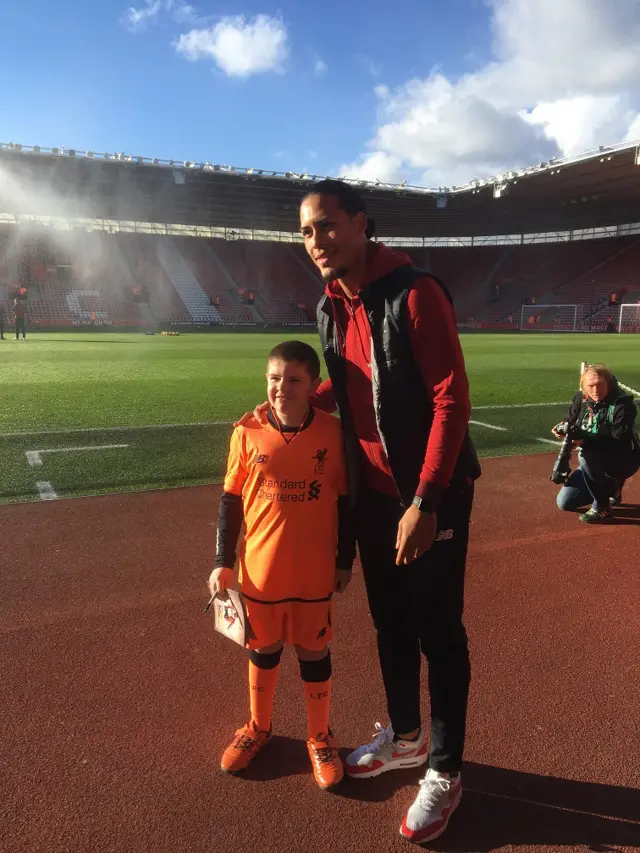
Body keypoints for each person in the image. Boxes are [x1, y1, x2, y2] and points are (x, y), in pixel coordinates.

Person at [240, 181, 481, 843]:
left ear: (361, 224)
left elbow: (450, 400)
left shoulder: (414, 293)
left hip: (432, 492)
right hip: (375, 496)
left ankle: (447, 767)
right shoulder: (331, 306)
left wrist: (425, 501)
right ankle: (405, 737)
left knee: (438, 629)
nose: (316, 241)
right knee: (390, 623)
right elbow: (345, 391)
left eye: (327, 226)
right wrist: (290, 406)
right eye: (307, 232)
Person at [209, 340, 355, 789]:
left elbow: (347, 504)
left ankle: (319, 736)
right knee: (263, 649)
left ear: (313, 386)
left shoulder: (333, 434)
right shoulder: (246, 431)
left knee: (313, 653)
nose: (281, 389)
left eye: (293, 380)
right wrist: (220, 561)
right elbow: (230, 501)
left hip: (312, 571)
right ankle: (258, 728)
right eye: (274, 378)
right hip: (259, 571)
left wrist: (344, 560)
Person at [553, 363, 640, 523]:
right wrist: (562, 426)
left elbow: (620, 440)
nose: (595, 390)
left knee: (586, 455)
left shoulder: (623, 404)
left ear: (609, 384)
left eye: (600, 385)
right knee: (565, 502)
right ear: (584, 387)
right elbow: (571, 419)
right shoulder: (581, 398)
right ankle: (612, 487)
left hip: (623, 459)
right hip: (595, 458)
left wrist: (584, 442)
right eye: (590, 386)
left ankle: (602, 507)